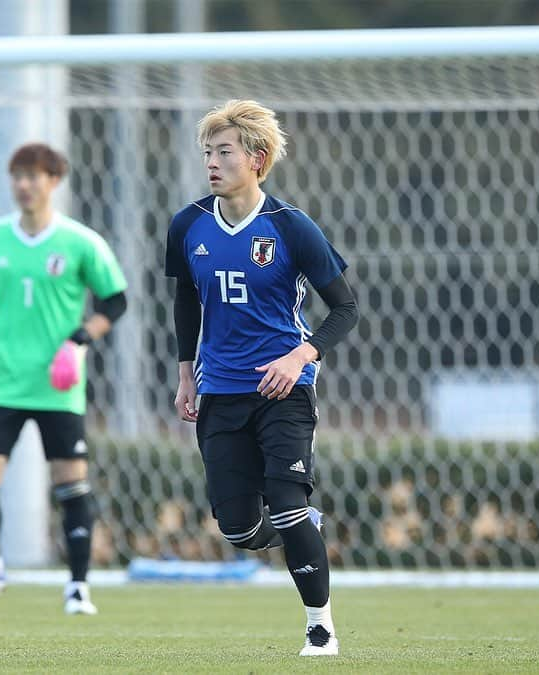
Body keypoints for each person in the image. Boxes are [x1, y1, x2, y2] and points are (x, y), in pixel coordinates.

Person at [164, 100, 358, 656]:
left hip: (283, 390)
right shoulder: (188, 224)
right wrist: (185, 375)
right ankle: (300, 527)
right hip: (219, 389)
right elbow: (185, 301)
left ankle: (320, 627)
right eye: (207, 152)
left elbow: (345, 309)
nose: (212, 162)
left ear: (258, 158)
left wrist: (302, 357)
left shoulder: (291, 227)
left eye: (224, 151)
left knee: (286, 500)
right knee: (238, 529)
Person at [0, 142, 128, 615]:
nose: (24, 185)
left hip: (58, 384)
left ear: (54, 182)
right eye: (18, 176)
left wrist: (80, 339)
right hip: (1, 381)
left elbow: (115, 302)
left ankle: (78, 588)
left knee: (70, 481)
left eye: (34, 176)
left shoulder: (80, 241)